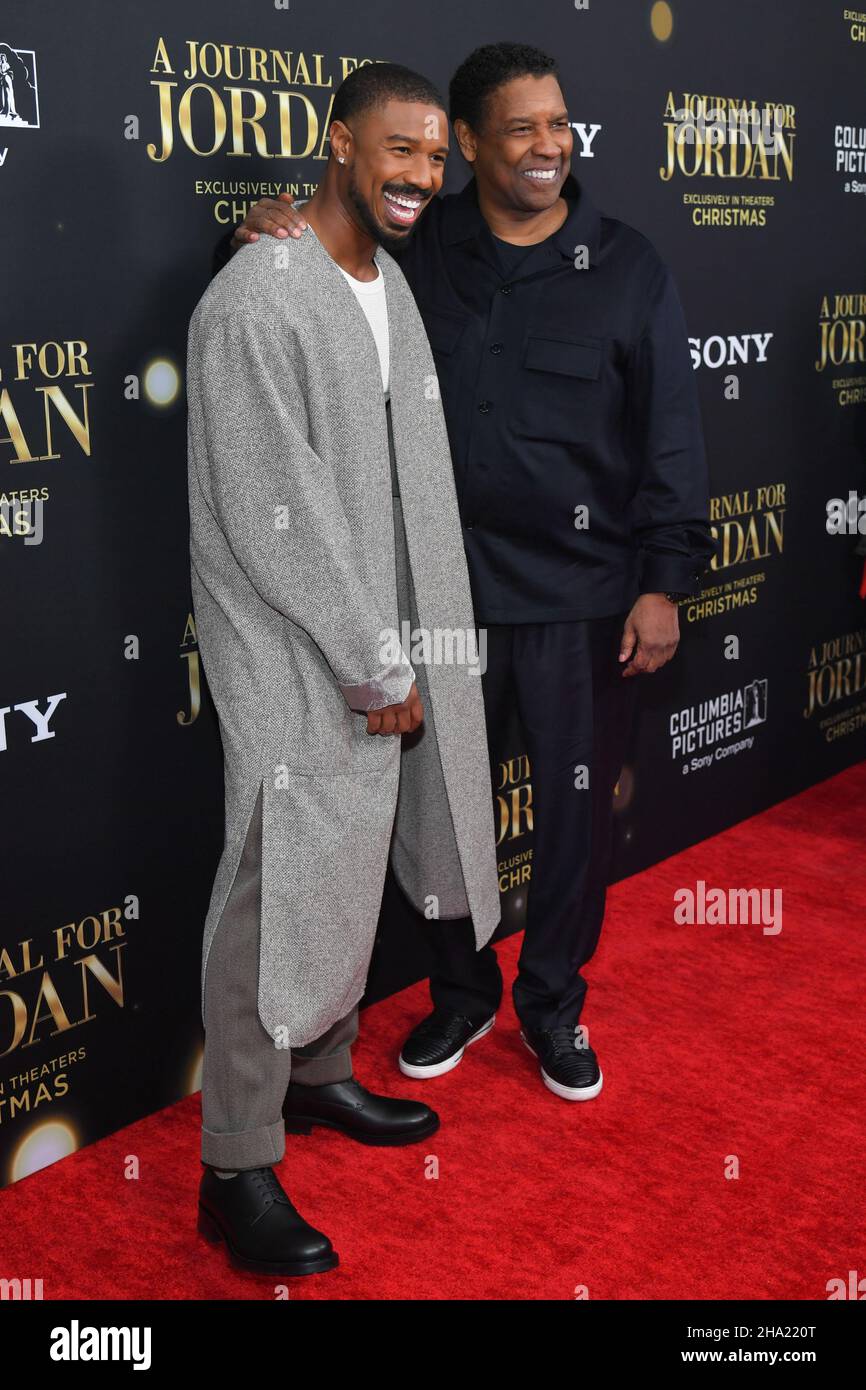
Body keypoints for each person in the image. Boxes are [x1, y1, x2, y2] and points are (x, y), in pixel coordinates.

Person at [215, 42, 716, 1106]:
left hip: (582, 600)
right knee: (442, 808)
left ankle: (550, 1004)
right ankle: (459, 991)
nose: (547, 146)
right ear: (471, 145)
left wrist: (663, 580)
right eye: (520, 128)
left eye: (558, 123)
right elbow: (322, 264)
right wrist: (255, 227)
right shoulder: (417, 246)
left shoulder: (627, 266)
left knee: (572, 822)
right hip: (440, 600)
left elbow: (669, 437)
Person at [188, 61, 500, 1278]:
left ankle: (319, 1077)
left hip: (374, 644)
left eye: (435, 156)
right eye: (400, 149)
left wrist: (402, 652)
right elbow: (282, 513)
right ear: (336, 143)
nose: (422, 174)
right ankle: (233, 1165)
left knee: (349, 862)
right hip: (293, 647)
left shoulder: (388, 280)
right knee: (270, 889)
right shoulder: (259, 298)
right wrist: (379, 666)